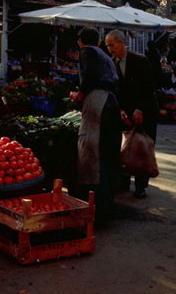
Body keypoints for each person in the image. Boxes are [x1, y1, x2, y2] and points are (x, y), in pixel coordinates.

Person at [69, 27, 121, 222]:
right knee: (106, 152)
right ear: (99, 41)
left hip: (98, 101)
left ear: (80, 42)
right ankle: (107, 203)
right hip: (111, 102)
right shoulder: (105, 54)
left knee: (91, 151)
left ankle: (98, 208)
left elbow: (89, 77)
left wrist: (79, 95)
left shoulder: (87, 52)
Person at [105, 30, 157, 198]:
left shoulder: (140, 61)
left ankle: (141, 185)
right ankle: (124, 180)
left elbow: (149, 88)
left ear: (121, 43)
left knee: (142, 147)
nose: (109, 49)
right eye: (107, 45)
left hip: (145, 109)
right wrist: (119, 109)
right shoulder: (111, 63)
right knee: (124, 147)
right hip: (125, 111)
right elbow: (114, 89)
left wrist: (140, 109)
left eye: (111, 45)